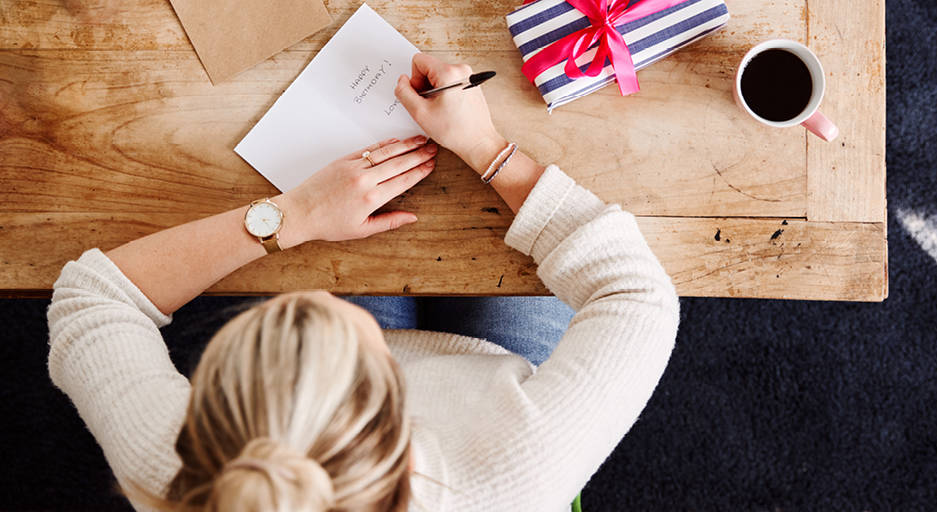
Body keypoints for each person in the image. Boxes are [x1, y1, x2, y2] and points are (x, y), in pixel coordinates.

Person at [47, 53, 680, 511]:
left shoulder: (190, 470)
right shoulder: (512, 475)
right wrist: (488, 148)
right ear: (392, 405)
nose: (315, 296)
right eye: (343, 339)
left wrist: (287, 219)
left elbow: (91, 300)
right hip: (496, 392)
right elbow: (637, 298)